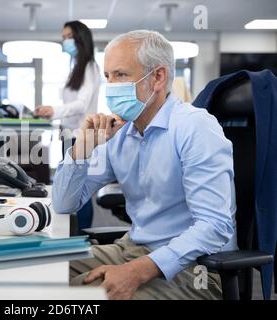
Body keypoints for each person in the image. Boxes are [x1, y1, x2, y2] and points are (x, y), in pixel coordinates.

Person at [52, 30, 238, 300]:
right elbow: (64, 204)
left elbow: (215, 226)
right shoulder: (120, 133)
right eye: (107, 76)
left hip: (196, 269)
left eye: (121, 75)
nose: (111, 86)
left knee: (83, 297)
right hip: (131, 248)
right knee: (38, 270)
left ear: (158, 77)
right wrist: (82, 148)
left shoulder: (195, 127)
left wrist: (138, 271)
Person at [35, 20, 100, 232]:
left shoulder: (89, 66)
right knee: (70, 184)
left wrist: (54, 111)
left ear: (79, 38)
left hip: (80, 135)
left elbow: (81, 104)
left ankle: (82, 233)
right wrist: (54, 114)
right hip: (69, 133)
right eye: (63, 37)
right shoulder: (76, 66)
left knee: (79, 186)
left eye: (67, 37)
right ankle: (74, 230)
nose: (64, 41)